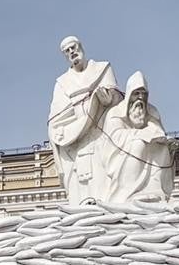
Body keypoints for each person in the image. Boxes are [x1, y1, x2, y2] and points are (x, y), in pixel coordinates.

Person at [47, 36, 124, 205]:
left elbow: (119, 102)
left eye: (73, 47)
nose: (71, 52)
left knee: (104, 180)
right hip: (77, 141)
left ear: (80, 47)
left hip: (102, 134)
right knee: (80, 188)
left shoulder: (102, 69)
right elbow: (55, 120)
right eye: (66, 51)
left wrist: (107, 98)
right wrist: (78, 121)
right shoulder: (62, 83)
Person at [103, 70, 179, 204]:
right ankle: (129, 192)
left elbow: (157, 131)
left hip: (144, 148)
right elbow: (116, 137)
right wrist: (141, 134)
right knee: (139, 144)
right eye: (136, 93)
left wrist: (165, 140)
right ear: (129, 94)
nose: (140, 97)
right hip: (120, 155)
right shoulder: (115, 112)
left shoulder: (152, 111)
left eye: (143, 94)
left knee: (162, 148)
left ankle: (156, 191)